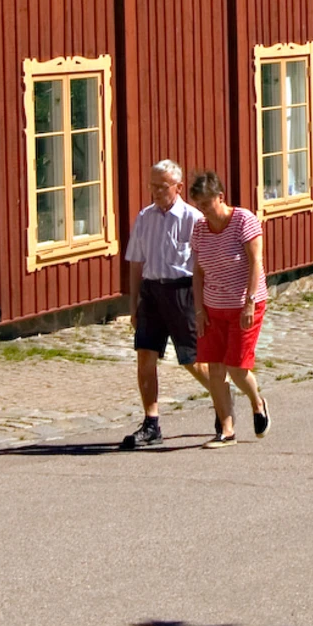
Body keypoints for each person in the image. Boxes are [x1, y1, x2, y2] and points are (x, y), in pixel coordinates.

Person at [119, 159, 208, 450]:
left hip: (182, 292)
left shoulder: (193, 219)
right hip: (152, 292)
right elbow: (136, 264)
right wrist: (133, 304)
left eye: (162, 186)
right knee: (145, 355)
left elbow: (203, 266)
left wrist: (202, 305)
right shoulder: (145, 217)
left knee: (191, 359)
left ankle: (223, 401)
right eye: (152, 186)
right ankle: (151, 422)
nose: (156, 192)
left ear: (178, 187)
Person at [187, 171, 270, 448]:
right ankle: (226, 429)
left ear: (220, 197)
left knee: (237, 366)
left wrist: (249, 301)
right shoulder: (199, 228)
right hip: (213, 307)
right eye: (199, 205)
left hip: (245, 305)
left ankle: (257, 402)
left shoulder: (243, 220)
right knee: (215, 369)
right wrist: (199, 310)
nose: (203, 210)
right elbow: (197, 273)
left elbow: (255, 261)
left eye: (207, 204)